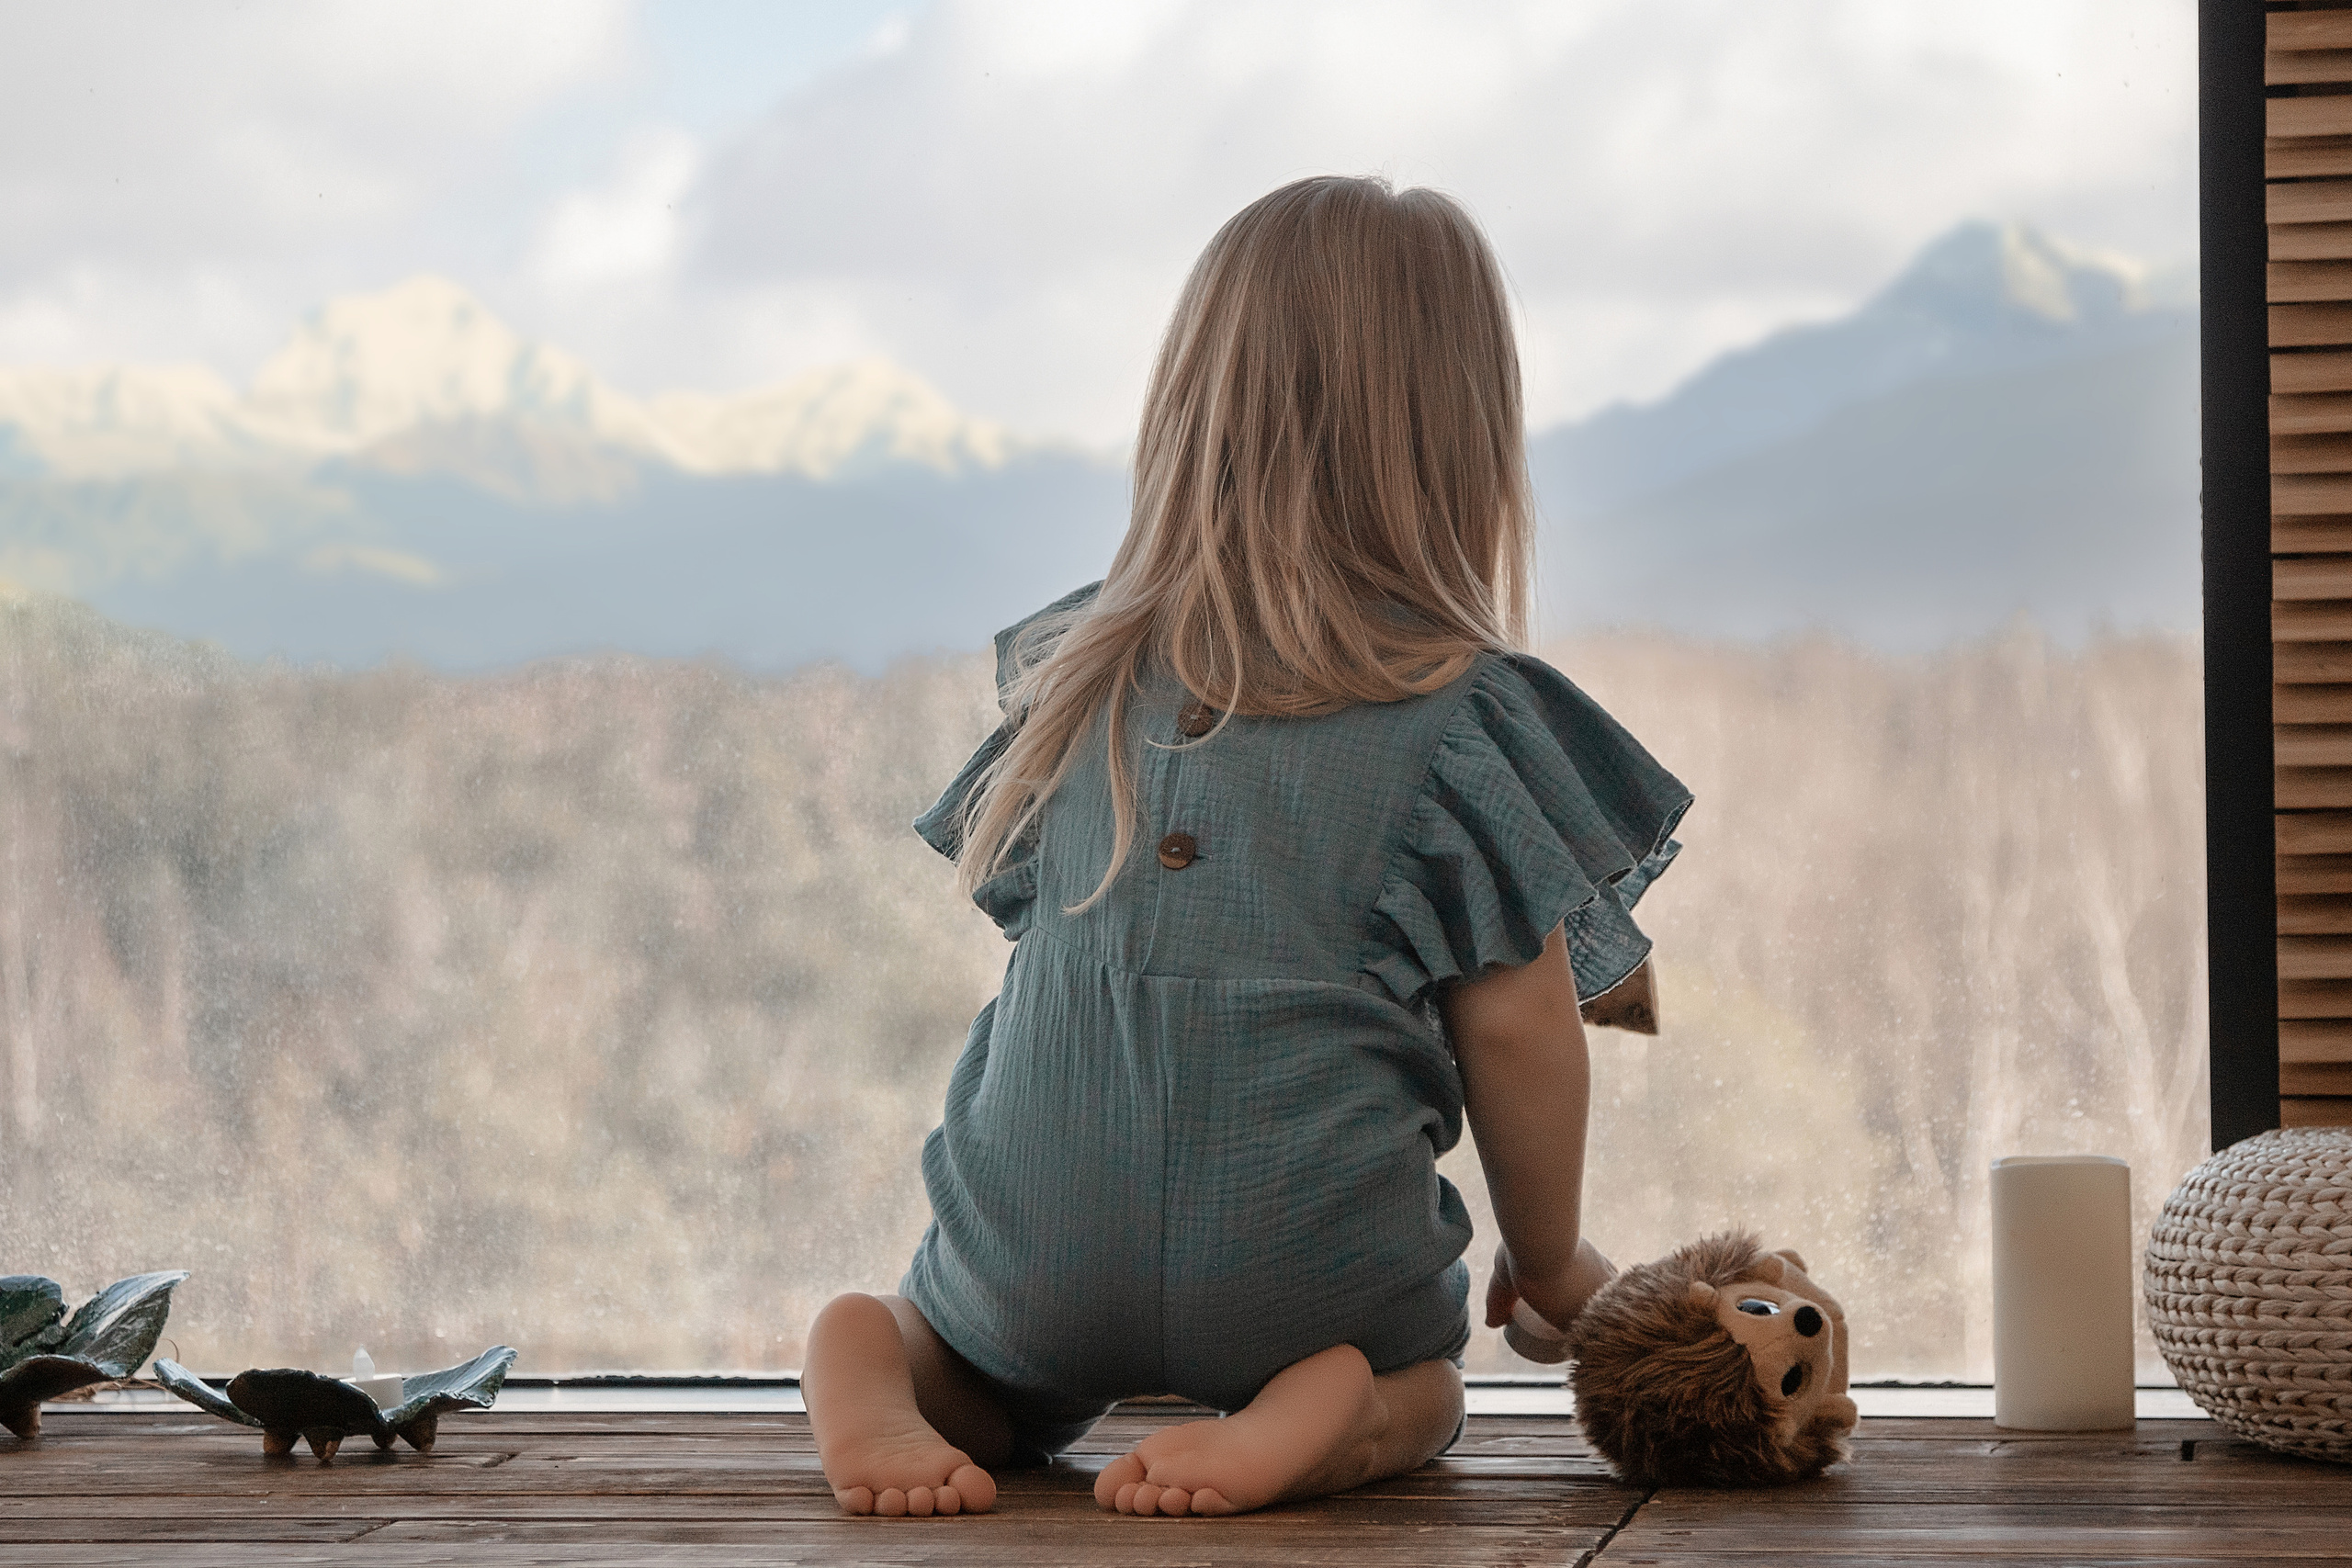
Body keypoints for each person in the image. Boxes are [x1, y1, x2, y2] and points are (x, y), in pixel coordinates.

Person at [801, 174, 1689, 1520]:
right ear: (1464, 439)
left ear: (1189, 409)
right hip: (1308, 1271)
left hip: (1027, 1255)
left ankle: (888, 1364)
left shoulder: (1075, 678)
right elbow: (1520, 1033)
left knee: (985, 1380)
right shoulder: (1466, 724)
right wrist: (1552, 1262)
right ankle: (1326, 1400)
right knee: (1429, 1387)